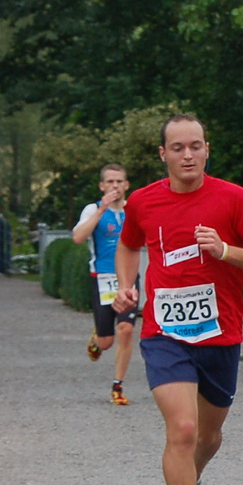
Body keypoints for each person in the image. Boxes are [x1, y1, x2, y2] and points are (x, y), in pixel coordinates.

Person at [113, 113, 243, 485]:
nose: (187, 155)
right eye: (177, 148)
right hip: (165, 334)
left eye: (195, 146)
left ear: (207, 149)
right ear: (162, 154)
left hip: (220, 335)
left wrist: (226, 251)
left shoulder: (233, 199)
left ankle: (191, 480)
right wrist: (126, 286)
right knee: (184, 431)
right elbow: (129, 245)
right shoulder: (144, 202)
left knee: (207, 438)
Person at [72, 164, 138, 404]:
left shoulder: (134, 210)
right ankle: (97, 338)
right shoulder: (92, 209)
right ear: (102, 186)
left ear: (126, 185)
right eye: (110, 182)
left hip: (128, 279)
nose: (115, 186)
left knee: (127, 330)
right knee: (107, 341)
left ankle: (117, 386)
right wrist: (101, 211)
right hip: (102, 278)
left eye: (119, 182)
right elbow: (78, 237)